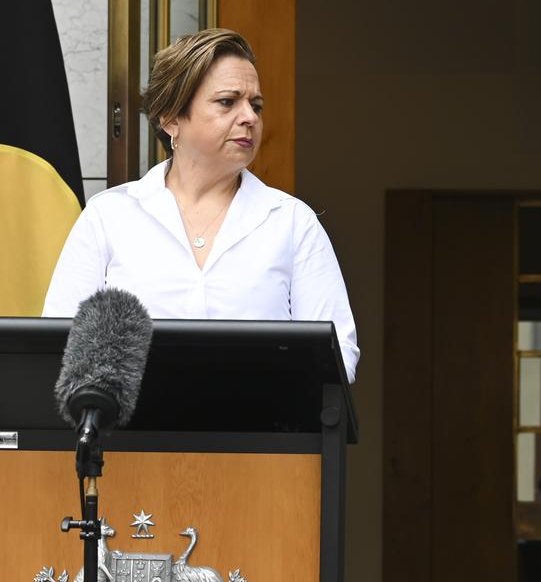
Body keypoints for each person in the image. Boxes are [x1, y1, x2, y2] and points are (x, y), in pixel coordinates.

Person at [43, 28, 360, 382]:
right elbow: (60, 344)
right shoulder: (109, 217)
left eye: (255, 105)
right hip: (132, 435)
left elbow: (338, 354)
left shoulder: (292, 222)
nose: (250, 118)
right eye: (228, 102)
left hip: (259, 431)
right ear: (171, 118)